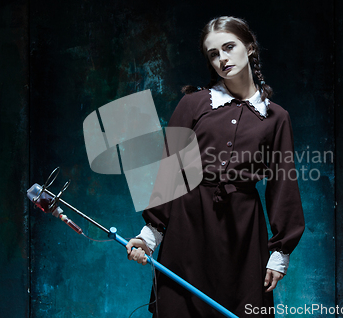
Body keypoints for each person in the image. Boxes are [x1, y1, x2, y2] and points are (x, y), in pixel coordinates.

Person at [126, 16, 305, 318]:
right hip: (188, 228)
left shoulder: (277, 117)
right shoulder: (193, 104)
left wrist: (280, 253)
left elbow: (282, 184)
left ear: (249, 47)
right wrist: (149, 235)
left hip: (243, 235)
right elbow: (170, 171)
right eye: (213, 53)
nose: (222, 58)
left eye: (228, 47)